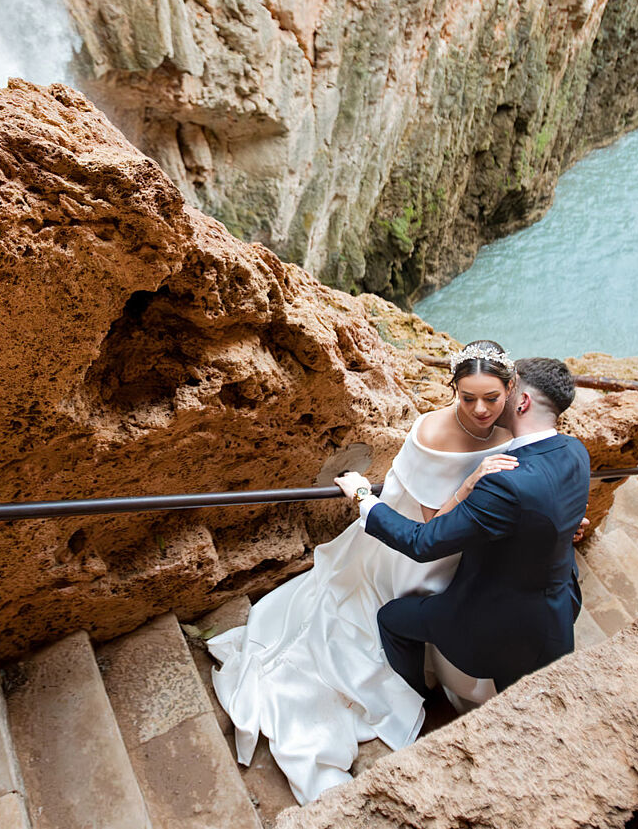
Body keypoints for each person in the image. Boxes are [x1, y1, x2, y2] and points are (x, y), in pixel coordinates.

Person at [207, 341, 522, 805]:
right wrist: (474, 483)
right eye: (467, 397)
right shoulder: (433, 434)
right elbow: (432, 529)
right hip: (417, 546)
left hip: (466, 546)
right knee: (410, 601)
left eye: (491, 398)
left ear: (510, 390)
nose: (479, 409)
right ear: (452, 389)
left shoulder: (514, 423)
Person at [335, 357, 590, 705]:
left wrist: (364, 496)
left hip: (492, 625)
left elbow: (423, 542)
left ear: (523, 402)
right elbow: (548, 509)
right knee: (530, 706)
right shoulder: (575, 451)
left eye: (507, 387)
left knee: (391, 618)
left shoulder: (507, 485)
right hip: (556, 610)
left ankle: (419, 701)